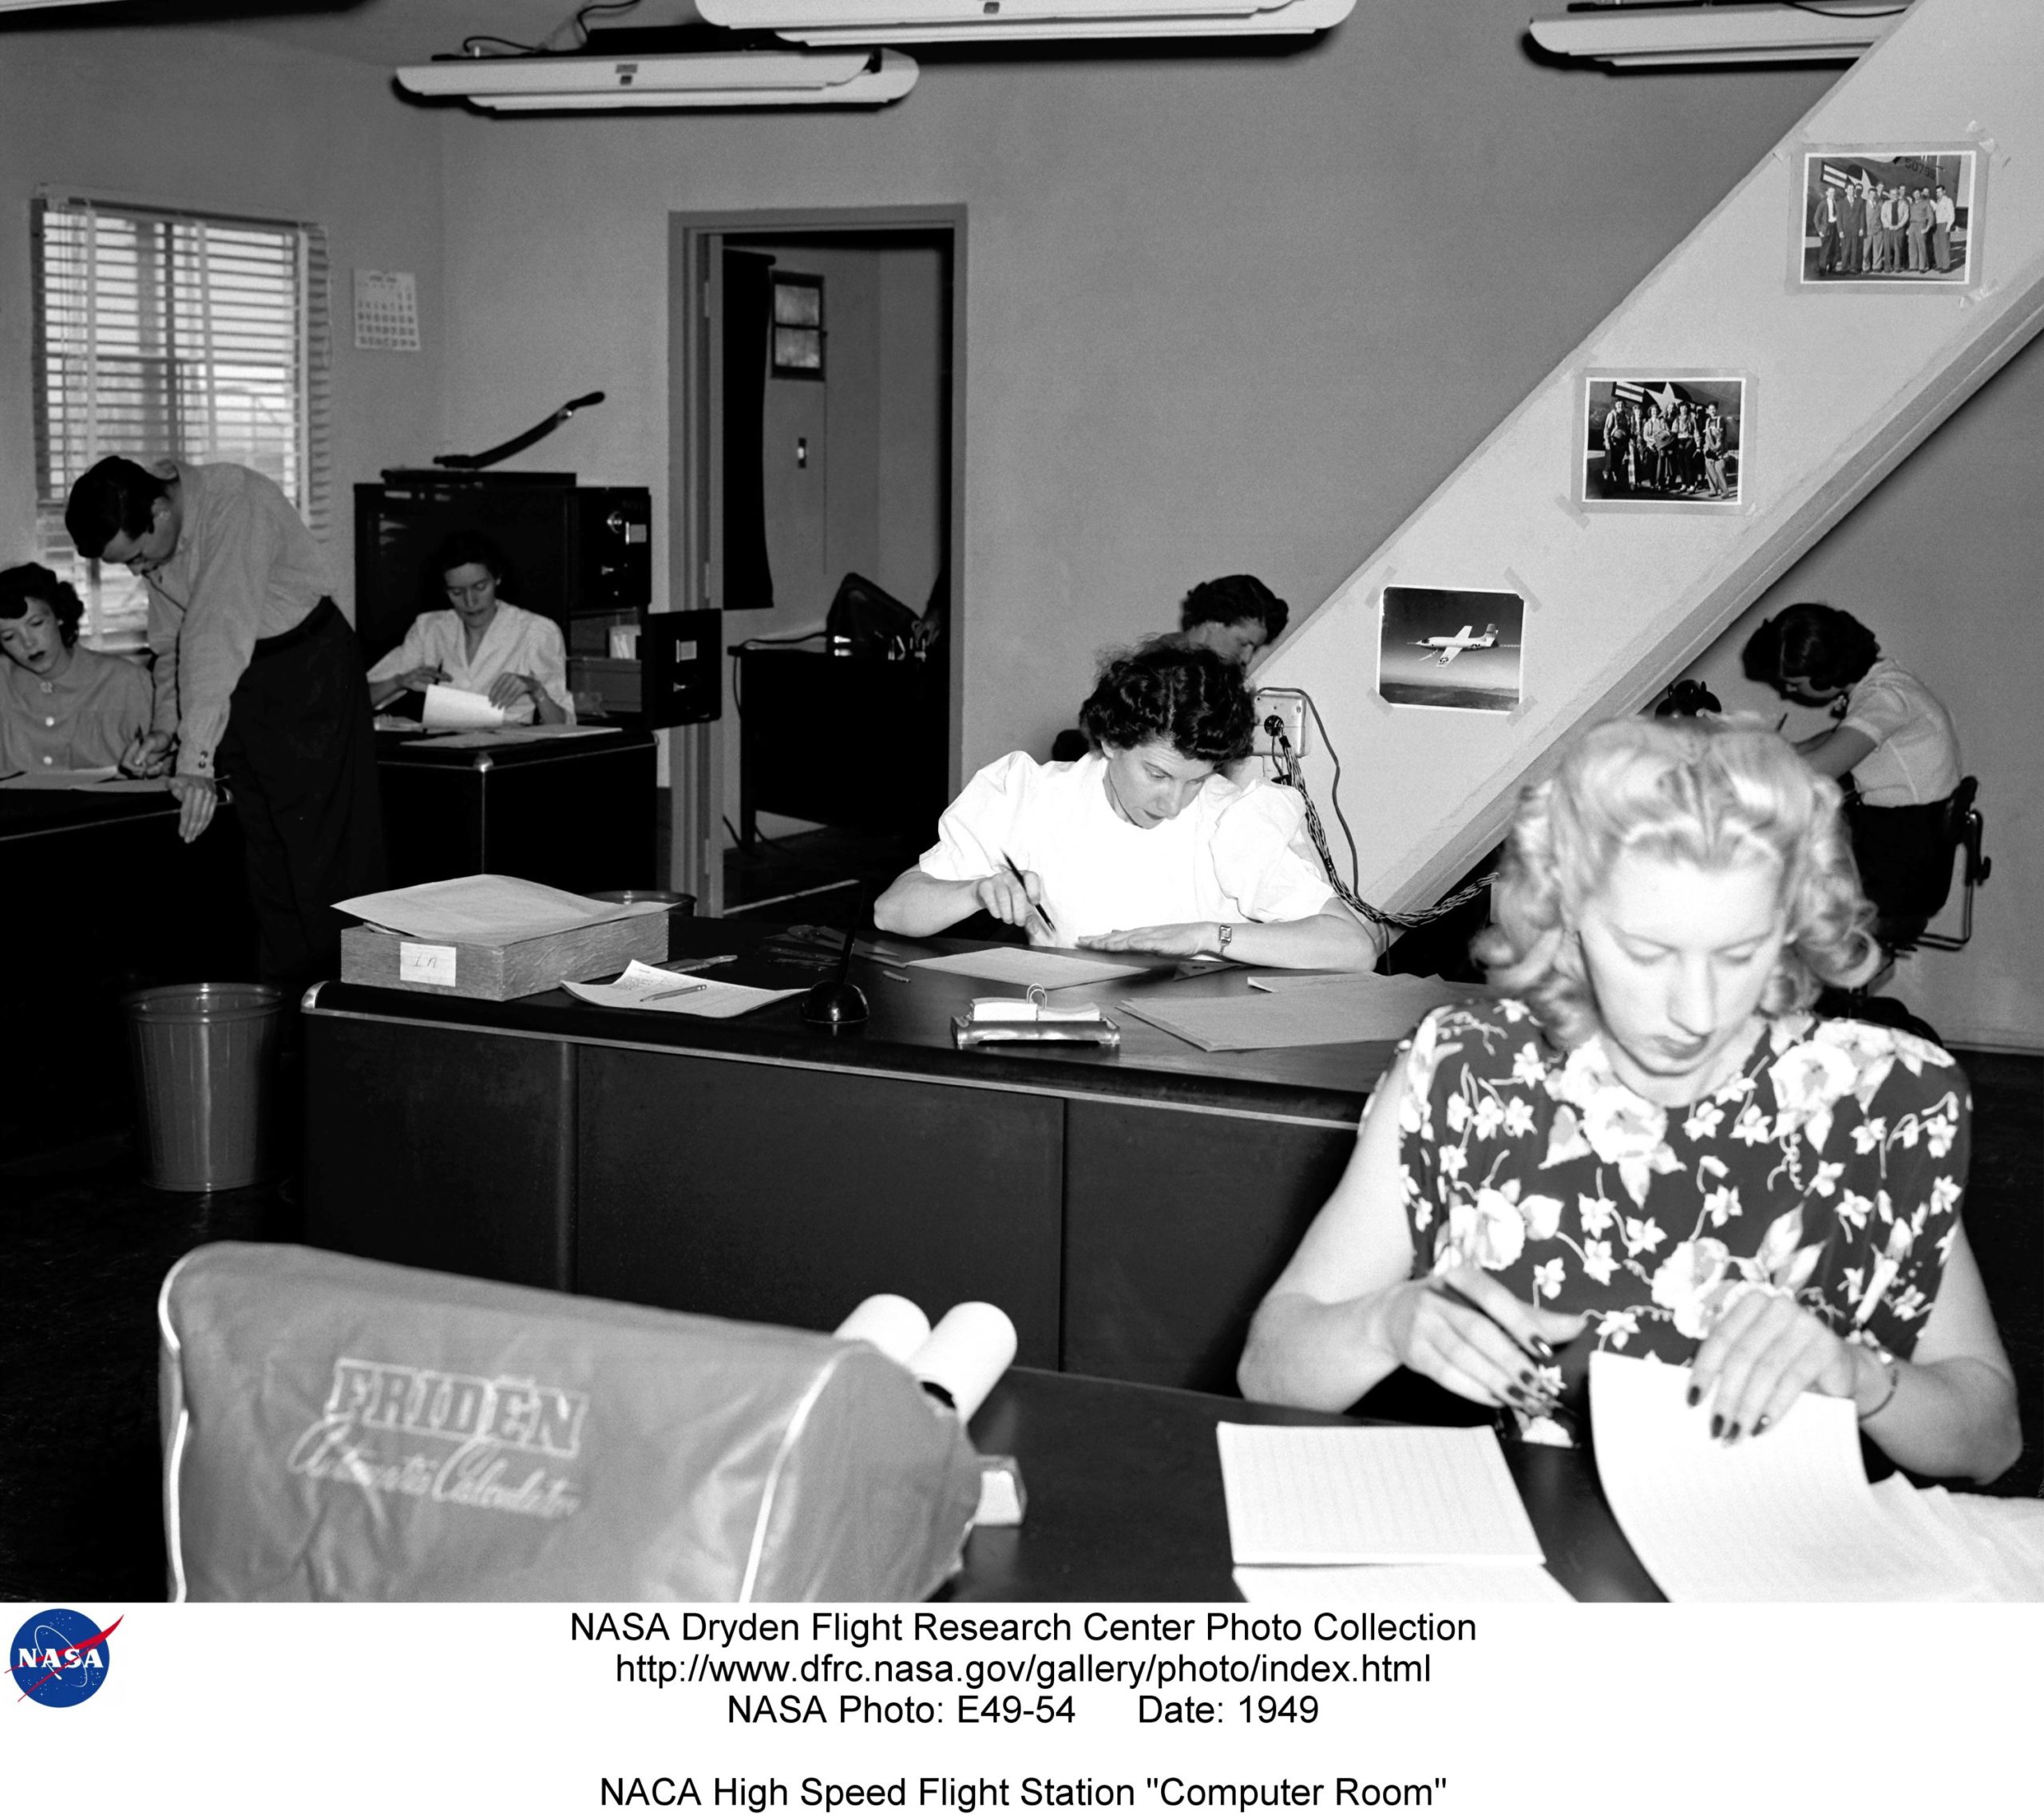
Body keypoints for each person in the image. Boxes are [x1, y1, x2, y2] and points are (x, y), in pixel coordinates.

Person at [1239, 719, 2019, 1485]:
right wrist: (1389, 1323)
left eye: (1740, 951)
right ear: (1566, 922)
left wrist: (1856, 1373)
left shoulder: (1878, 1102)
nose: (1696, 1008)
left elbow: (1989, 1440)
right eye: (1647, 953)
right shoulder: (1466, 1075)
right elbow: (1271, 1372)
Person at [65, 455, 384, 992]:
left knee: (326, 864)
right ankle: (284, 1028)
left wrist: (195, 763)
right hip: (240, 682)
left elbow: (215, 633)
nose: (139, 572)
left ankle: (349, 1017)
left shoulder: (234, 501)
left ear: (161, 512)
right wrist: (167, 730)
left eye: (138, 557)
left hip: (307, 672)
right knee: (268, 863)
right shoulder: (160, 536)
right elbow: (173, 648)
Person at [879, 640, 1377, 969]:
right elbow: (893, 912)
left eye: (1196, 781)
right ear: (1112, 741)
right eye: (1157, 774)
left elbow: (1352, 947)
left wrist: (1207, 936)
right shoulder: (1030, 796)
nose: (1173, 804)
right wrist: (977, 891)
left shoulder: (1234, 818)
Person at [1741, 603, 1960, 945]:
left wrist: (1743, 764)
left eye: (1795, 684)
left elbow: (1822, 769)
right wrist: (1775, 750)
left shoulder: (1885, 700)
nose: (1788, 692)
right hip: (1910, 851)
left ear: (1824, 673)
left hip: (1899, 869)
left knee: (1756, 883)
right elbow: (1838, 738)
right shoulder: (1888, 685)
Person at [366, 531, 572, 724]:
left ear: (497, 578)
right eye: (457, 592)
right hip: (443, 748)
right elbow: (356, 699)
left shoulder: (536, 631)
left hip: (508, 751)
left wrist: (537, 692)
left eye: (480, 587)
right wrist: (399, 682)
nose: (470, 601)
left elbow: (563, 725)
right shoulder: (430, 628)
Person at [0, 563, 153, 775]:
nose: (28, 643)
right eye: (9, 637)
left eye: (36, 624)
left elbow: (171, 764)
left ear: (59, 616)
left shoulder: (126, 681)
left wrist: (153, 764)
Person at [1177, 573, 1290, 667]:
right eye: (1243, 643)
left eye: (1254, 648)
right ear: (1214, 623)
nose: (1247, 658)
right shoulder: (1163, 671)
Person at [1931, 184, 1956, 272]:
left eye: (1940, 191)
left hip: (1944, 224)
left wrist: (1949, 226)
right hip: (1937, 225)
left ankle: (1946, 267)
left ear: (1944, 192)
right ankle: (1939, 265)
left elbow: (1951, 214)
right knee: (1937, 245)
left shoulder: (1948, 201)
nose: (1938, 193)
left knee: (1944, 246)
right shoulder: (1938, 201)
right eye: (1937, 192)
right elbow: (1936, 211)